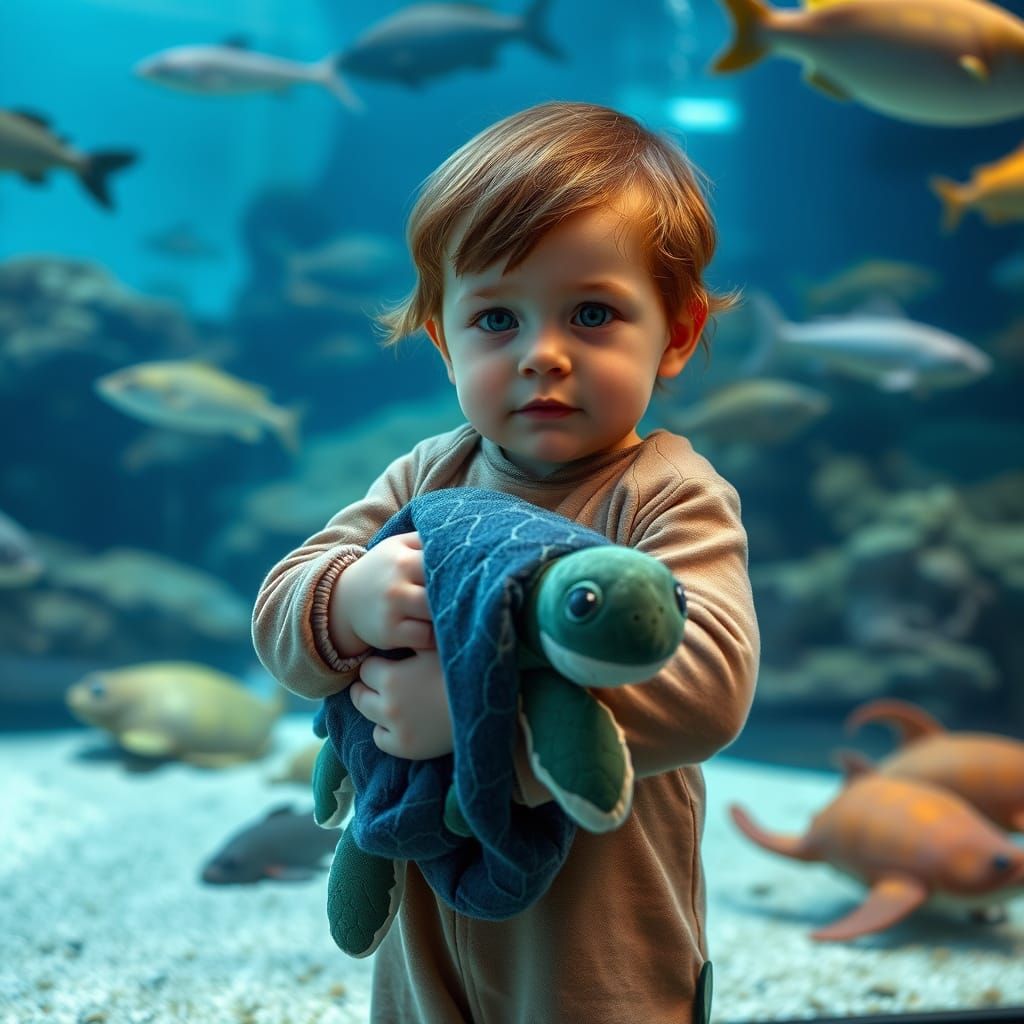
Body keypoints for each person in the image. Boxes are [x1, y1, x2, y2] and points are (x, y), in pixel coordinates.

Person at [252, 99, 759, 1024]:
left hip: (593, 955)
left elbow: (709, 682)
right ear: (444, 338)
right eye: (496, 319)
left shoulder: (667, 494)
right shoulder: (424, 472)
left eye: (593, 313)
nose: (544, 356)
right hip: (421, 942)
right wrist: (350, 600)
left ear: (677, 334)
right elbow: (283, 611)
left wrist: (479, 721)